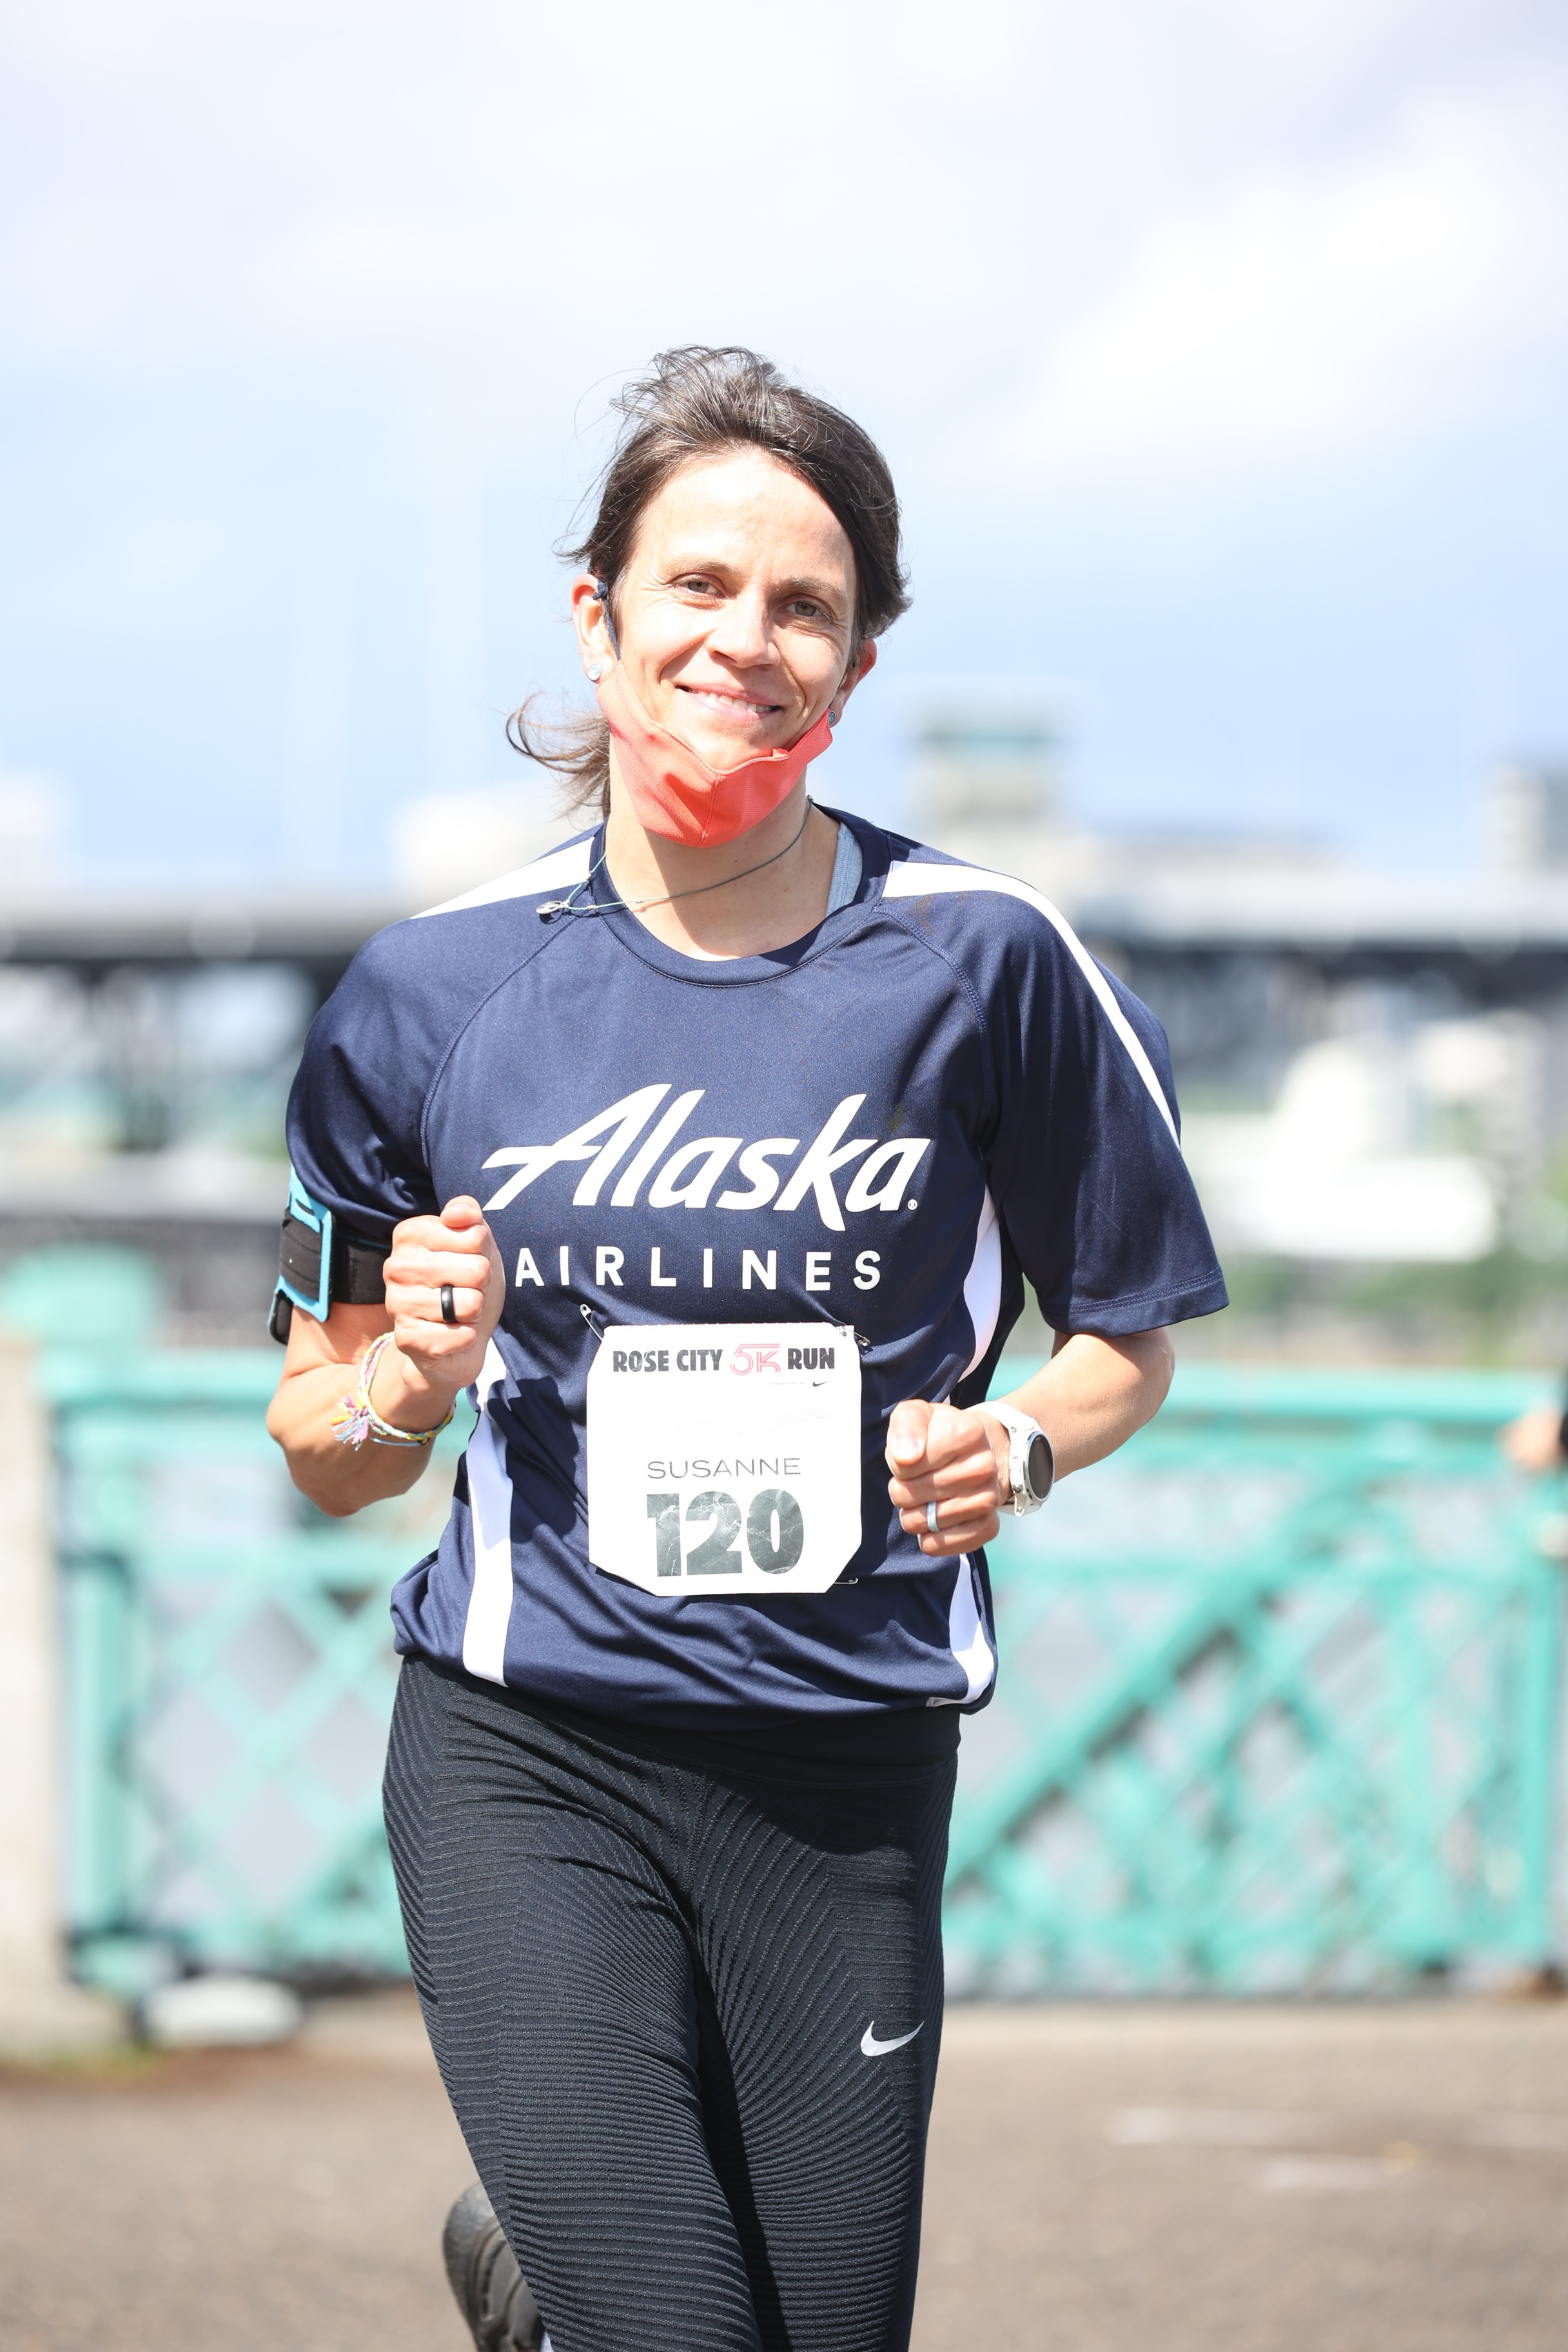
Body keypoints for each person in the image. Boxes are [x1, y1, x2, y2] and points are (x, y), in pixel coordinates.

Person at [266, 346, 1228, 2352]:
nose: (747, 639)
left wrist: (1021, 1447)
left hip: (847, 1764)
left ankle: (540, 2294)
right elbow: (322, 1443)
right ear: (600, 617)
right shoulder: (427, 996)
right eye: (699, 584)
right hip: (532, 1747)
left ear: (857, 667)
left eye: (805, 606)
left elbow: (1125, 1338)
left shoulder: (991, 962)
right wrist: (406, 1389)